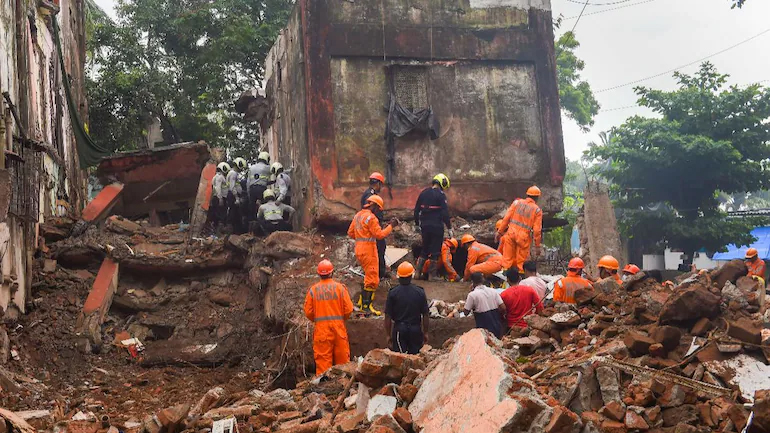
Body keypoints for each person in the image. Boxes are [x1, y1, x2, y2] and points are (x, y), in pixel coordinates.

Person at [348, 195, 398, 315]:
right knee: (372, 279)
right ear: (374, 206)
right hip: (368, 250)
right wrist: (391, 226)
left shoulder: (358, 215)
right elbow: (379, 235)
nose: (379, 211)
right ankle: (366, 307)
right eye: (379, 208)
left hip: (359, 249)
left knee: (368, 276)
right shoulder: (371, 218)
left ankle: (361, 302)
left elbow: (350, 233)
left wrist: (361, 238)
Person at [303, 260, 354, 376]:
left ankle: (323, 389)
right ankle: (344, 386)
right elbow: (349, 309)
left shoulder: (313, 290)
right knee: (343, 363)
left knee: (323, 363)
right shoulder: (340, 288)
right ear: (332, 273)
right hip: (338, 327)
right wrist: (341, 320)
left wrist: (317, 320)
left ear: (319, 274)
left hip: (322, 330)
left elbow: (308, 312)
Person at [384, 262, 430, 354]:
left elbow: (388, 316)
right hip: (415, 330)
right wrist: (425, 332)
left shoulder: (393, 293)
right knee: (415, 357)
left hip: (400, 330)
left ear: (399, 277)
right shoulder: (420, 292)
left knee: (400, 358)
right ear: (411, 276)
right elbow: (425, 314)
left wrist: (388, 335)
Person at [414, 173, 453, 280]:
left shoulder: (423, 193)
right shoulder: (441, 195)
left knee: (424, 249)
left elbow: (416, 210)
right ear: (442, 183)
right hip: (436, 227)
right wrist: (449, 227)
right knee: (435, 251)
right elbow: (445, 213)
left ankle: (417, 273)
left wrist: (417, 224)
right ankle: (432, 275)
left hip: (424, 226)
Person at [496, 186, 543, 272]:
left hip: (510, 234)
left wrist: (499, 232)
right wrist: (537, 246)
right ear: (537, 197)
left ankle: (505, 281)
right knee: (521, 262)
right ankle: (520, 280)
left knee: (506, 259)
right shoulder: (537, 210)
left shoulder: (516, 203)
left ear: (527, 195)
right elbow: (537, 230)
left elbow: (506, 218)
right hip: (523, 238)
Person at [463, 272, 506, 338]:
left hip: (483, 327)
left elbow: (466, 312)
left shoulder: (472, 295)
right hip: (497, 325)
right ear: (483, 280)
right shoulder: (493, 291)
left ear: (472, 282)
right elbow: (503, 308)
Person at [362, 172, 389, 279]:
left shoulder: (367, 193)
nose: (381, 188)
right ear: (377, 183)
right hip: (373, 228)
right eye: (380, 185)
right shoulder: (371, 195)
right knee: (380, 248)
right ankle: (380, 274)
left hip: (371, 227)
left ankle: (378, 273)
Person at [248, 152, 271, 225]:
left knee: (252, 208)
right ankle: (263, 224)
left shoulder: (252, 167)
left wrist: (249, 193)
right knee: (263, 206)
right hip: (261, 189)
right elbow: (276, 171)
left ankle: (252, 225)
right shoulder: (267, 168)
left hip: (252, 189)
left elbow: (248, 182)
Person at [210, 162, 231, 231]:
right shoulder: (220, 177)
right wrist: (220, 199)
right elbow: (218, 188)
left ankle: (215, 228)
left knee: (216, 213)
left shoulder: (215, 177)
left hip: (216, 197)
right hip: (220, 197)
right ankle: (221, 229)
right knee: (221, 214)